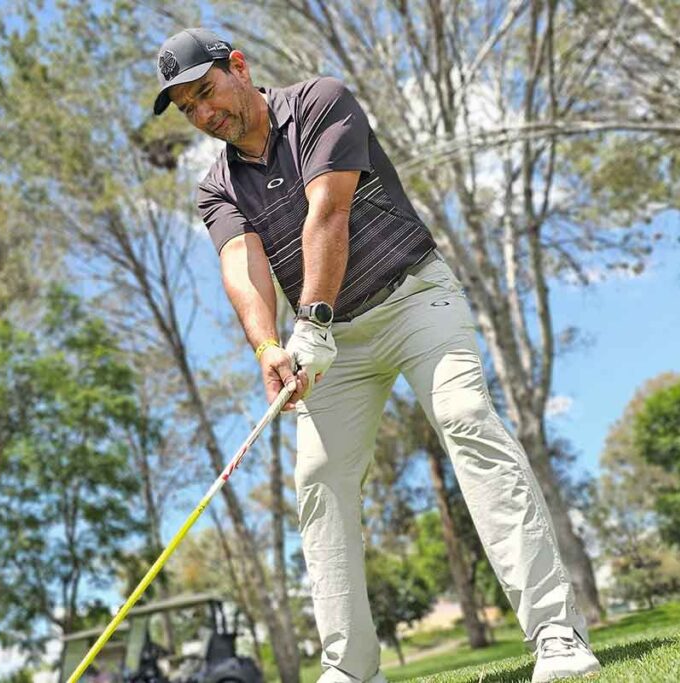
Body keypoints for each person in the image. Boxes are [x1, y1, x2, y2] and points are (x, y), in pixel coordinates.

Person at [152, 27, 602, 683]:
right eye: (189, 108)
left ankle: (556, 633)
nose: (203, 113)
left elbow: (326, 213)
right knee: (317, 478)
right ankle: (351, 667)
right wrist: (269, 344)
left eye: (205, 91)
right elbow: (241, 266)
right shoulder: (216, 186)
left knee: (466, 416)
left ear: (238, 67)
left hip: (415, 297)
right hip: (332, 341)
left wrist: (310, 319)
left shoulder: (320, 102)